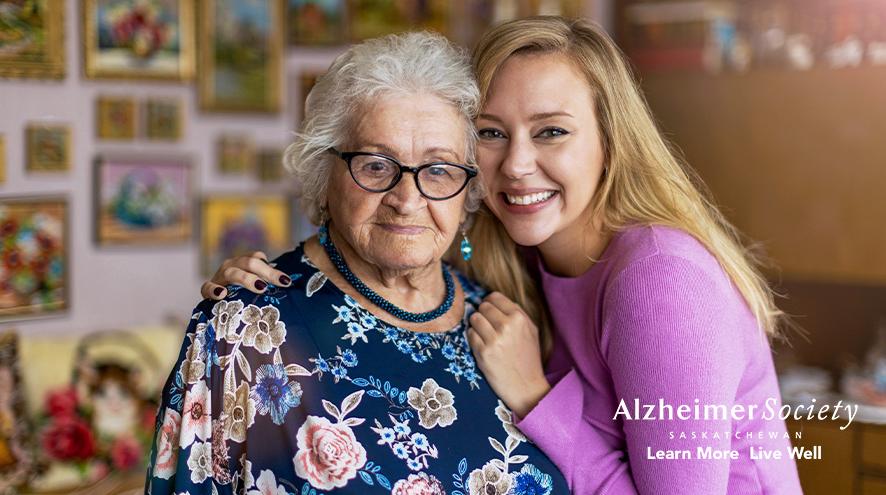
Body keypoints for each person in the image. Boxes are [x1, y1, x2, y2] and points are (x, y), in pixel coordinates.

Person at [201, 17, 804, 495]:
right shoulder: (516, 266)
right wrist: (262, 290)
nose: (516, 165)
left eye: (551, 131)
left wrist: (537, 399)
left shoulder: (660, 279)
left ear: (610, 141)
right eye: (490, 133)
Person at [146, 32, 568, 495]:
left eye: (439, 169)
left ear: (470, 191)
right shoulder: (245, 330)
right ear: (324, 175)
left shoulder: (503, 320)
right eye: (375, 165)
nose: (407, 200)